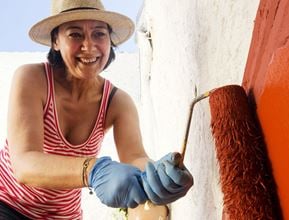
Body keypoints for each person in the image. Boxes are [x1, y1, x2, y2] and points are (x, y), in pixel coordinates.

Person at [0, 0, 193, 219]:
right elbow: (24, 164)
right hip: (8, 205)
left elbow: (135, 157)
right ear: (55, 41)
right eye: (75, 34)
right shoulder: (33, 79)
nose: (89, 46)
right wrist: (92, 169)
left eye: (99, 34)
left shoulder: (118, 102)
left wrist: (156, 176)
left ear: (110, 40)